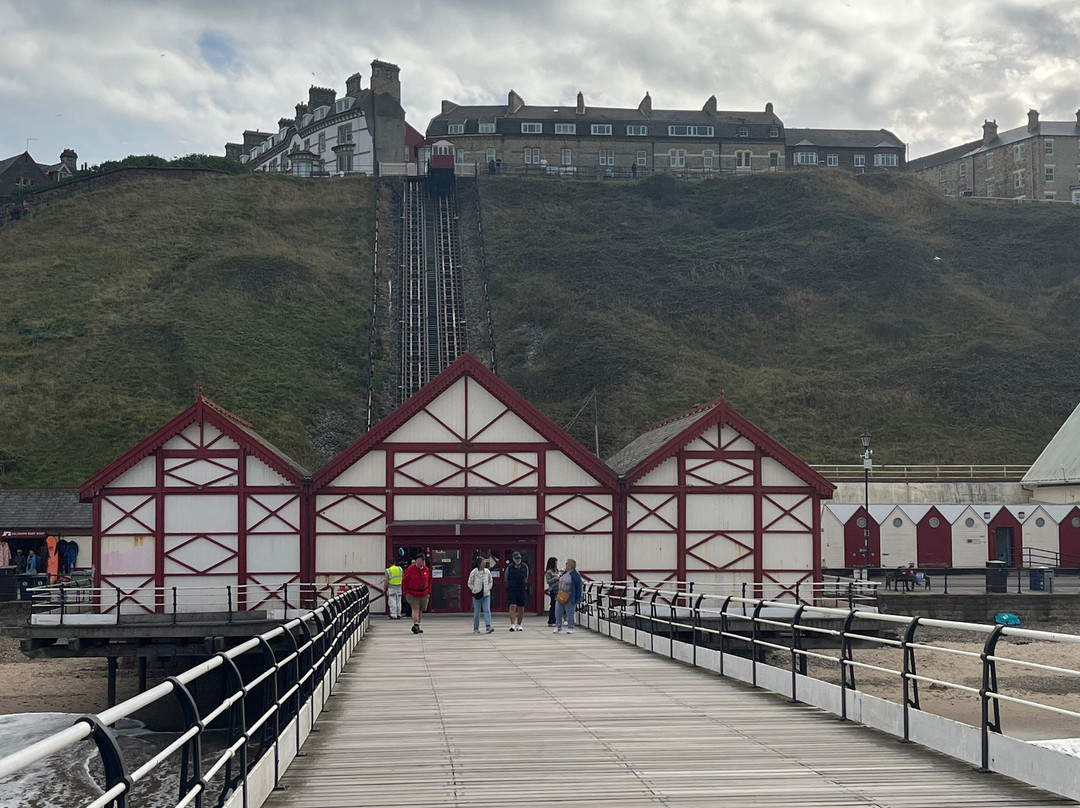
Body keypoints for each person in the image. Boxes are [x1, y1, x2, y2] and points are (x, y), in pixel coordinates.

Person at [401, 553, 432, 634]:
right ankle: (416, 624)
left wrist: (429, 591)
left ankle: (418, 625)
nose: (423, 561)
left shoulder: (426, 570)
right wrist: (405, 592)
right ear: (417, 560)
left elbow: (429, 581)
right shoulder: (410, 569)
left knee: (421, 609)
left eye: (424, 560)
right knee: (415, 608)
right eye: (422, 560)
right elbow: (404, 581)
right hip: (412, 593)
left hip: (424, 593)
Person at [553, 558, 583, 634]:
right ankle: (558, 626)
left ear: (571, 565)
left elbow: (579, 586)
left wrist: (579, 597)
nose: (565, 565)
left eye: (567, 564)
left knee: (570, 612)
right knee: (558, 611)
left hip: (570, 595)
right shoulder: (564, 572)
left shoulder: (575, 574)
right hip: (561, 594)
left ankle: (571, 627)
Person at [468, 557, 495, 634]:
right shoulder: (474, 572)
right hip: (477, 594)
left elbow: (491, 580)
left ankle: (488, 626)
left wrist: (488, 588)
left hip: (486, 594)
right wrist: (474, 589)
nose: (484, 563)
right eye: (482, 562)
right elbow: (469, 582)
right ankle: (476, 628)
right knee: (477, 612)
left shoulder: (487, 571)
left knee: (487, 610)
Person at [505, 551, 529, 631]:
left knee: (521, 607)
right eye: (516, 558)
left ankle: (519, 624)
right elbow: (506, 578)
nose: (518, 560)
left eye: (519, 558)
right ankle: (512, 624)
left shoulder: (524, 567)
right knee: (512, 606)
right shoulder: (509, 567)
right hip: (512, 589)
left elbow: (527, 577)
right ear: (513, 559)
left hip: (521, 589)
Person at [544, 556, 560, 626]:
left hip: (558, 589)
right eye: (555, 562)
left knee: (557, 605)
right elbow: (548, 581)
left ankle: (556, 619)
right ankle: (551, 620)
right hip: (553, 589)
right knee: (553, 605)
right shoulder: (549, 572)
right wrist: (555, 578)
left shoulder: (557, 570)